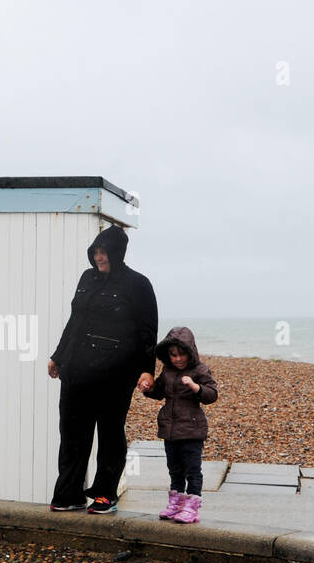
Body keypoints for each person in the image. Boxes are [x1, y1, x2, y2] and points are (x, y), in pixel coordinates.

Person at [47, 224, 158, 514]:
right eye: (96, 251)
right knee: (72, 434)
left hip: (115, 374)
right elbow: (75, 321)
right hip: (76, 370)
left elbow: (148, 330)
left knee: (109, 434)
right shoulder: (86, 278)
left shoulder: (138, 284)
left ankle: (105, 495)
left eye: (104, 251)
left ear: (117, 252)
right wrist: (58, 356)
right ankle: (69, 494)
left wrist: (148, 370)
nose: (100, 257)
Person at [142, 327, 218, 523]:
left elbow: (212, 394)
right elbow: (159, 391)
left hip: (192, 429)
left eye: (182, 354)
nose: (178, 359)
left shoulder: (200, 370)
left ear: (190, 351)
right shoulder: (167, 371)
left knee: (193, 468)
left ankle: (192, 505)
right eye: (173, 355)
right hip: (170, 429)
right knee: (174, 468)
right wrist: (148, 389)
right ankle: (176, 503)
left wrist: (196, 387)